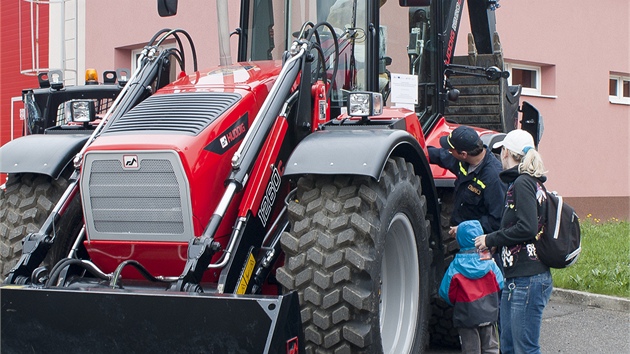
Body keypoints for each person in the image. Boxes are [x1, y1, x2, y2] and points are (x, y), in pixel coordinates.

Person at [474, 129, 552, 354]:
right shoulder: (523, 183)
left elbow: (528, 227)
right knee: (508, 347)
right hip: (516, 278)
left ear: (506, 152)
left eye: (501, 152)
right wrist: (498, 243)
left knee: (524, 349)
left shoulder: (523, 183)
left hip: (528, 279)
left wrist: (491, 238)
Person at [439, 219, 504, 354]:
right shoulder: (489, 262)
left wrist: (457, 303)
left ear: (459, 240)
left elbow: (445, 292)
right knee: (491, 348)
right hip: (489, 314)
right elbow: (500, 283)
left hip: (466, 316)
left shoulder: (456, 266)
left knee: (470, 350)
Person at [428, 125, 506, 235]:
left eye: (451, 150)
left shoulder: (494, 178)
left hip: (477, 239)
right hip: (461, 231)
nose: (448, 151)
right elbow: (441, 155)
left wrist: (465, 229)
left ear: (463, 154)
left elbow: (497, 220)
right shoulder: (463, 161)